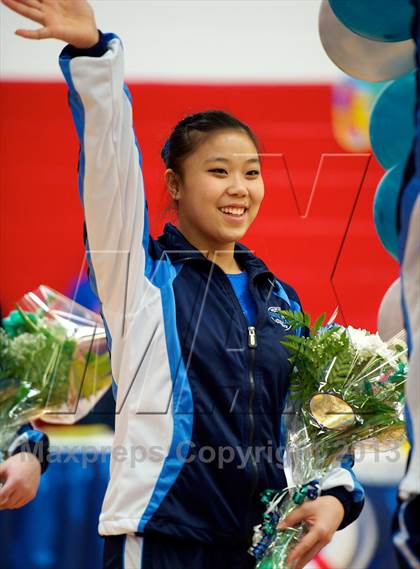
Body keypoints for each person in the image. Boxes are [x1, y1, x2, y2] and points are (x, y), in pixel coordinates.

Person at [1, 1, 365, 567]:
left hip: (258, 547)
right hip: (160, 540)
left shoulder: (280, 298)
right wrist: (97, 58)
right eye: (218, 171)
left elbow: (309, 421)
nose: (239, 187)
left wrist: (337, 495)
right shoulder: (140, 278)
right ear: (174, 182)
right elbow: (109, 167)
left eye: (252, 171)